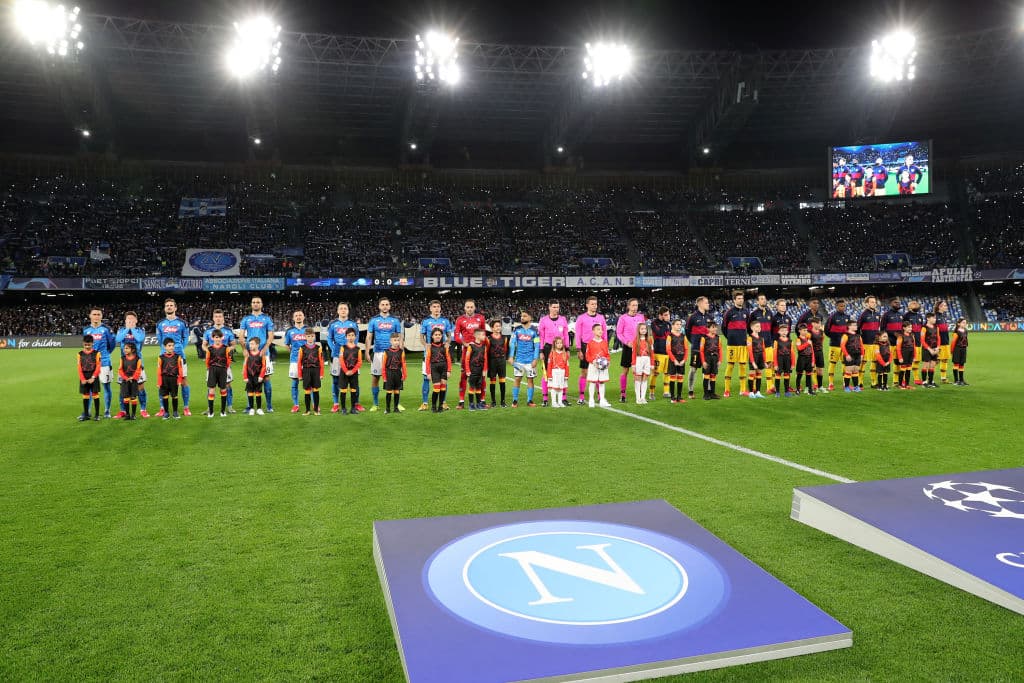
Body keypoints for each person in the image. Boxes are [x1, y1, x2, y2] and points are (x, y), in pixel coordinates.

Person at [365, 298, 403, 412]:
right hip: (378, 352)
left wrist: (402, 352)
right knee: (375, 377)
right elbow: (369, 337)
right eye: (383, 304)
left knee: (396, 377)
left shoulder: (395, 320)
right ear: (379, 306)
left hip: (393, 353)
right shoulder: (373, 320)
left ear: (389, 306)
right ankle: (375, 403)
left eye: (387, 304)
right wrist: (367, 351)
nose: (385, 306)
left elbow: (400, 337)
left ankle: (397, 403)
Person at [155, 299, 192, 416]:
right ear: (164, 308)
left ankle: (186, 407)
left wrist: (179, 348)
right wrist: (165, 350)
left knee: (184, 381)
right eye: (167, 306)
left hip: (179, 357)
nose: (169, 307)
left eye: (171, 305)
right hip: (164, 358)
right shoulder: (160, 324)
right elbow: (160, 340)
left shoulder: (182, 323)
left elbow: (185, 338)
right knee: (162, 383)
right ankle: (162, 408)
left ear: (175, 308)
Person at [239, 295, 276, 412]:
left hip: (264, 354)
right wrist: (244, 349)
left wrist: (265, 348)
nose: (256, 304)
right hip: (251, 355)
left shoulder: (267, 318)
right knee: (250, 378)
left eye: (258, 302)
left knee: (266, 378)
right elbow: (241, 336)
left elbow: (271, 336)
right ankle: (249, 406)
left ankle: (269, 406)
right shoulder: (246, 319)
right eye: (254, 302)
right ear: (251, 304)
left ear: (261, 304)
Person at [418, 300, 454, 411]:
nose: (436, 309)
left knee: (444, 379)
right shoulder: (426, 321)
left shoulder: (445, 321)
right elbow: (421, 337)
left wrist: (448, 342)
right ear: (430, 308)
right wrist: (426, 345)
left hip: (442, 354)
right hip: (429, 354)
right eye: (434, 307)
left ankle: (443, 402)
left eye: (438, 306)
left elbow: (449, 336)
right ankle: (424, 403)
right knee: (426, 379)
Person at [115, 311, 150, 419]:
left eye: (132, 319)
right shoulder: (121, 330)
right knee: (123, 389)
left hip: (138, 363)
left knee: (140, 388)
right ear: (125, 321)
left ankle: (143, 409)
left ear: (136, 320)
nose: (130, 320)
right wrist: (127, 328)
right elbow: (118, 339)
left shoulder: (140, 330)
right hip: (124, 364)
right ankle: (123, 411)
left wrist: (132, 328)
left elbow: (139, 339)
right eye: (128, 319)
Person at [453, 299, 487, 410]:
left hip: (479, 351)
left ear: (474, 307)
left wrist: (483, 346)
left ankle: (482, 400)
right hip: (467, 351)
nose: (469, 309)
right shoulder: (460, 319)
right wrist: (465, 343)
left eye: (471, 307)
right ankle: (461, 401)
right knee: (464, 376)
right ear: (464, 308)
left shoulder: (480, 318)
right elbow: (457, 336)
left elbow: (484, 334)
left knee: (481, 376)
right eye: (467, 307)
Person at [202, 309, 237, 414]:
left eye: (220, 316)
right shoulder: (208, 331)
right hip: (212, 363)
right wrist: (208, 350)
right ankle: (209, 408)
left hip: (224, 363)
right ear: (213, 318)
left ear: (223, 318)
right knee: (210, 385)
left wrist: (227, 350)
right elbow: (204, 344)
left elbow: (234, 344)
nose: (218, 318)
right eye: (216, 316)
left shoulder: (228, 330)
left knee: (227, 384)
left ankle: (229, 406)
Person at [327, 302, 361, 412]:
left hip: (352, 357)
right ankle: (336, 403)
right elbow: (329, 338)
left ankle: (356, 403)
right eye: (341, 308)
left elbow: (356, 338)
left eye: (345, 308)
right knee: (336, 380)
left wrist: (352, 350)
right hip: (337, 356)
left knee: (355, 381)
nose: (343, 310)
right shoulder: (333, 324)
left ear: (348, 311)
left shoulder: (352, 324)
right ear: (337, 311)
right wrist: (333, 348)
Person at [574, 296, 607, 405]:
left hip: (598, 347)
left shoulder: (601, 318)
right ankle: (582, 396)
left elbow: (605, 333)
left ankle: (600, 396)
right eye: (592, 304)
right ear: (587, 305)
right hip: (585, 346)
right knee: (584, 372)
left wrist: (605, 347)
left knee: (599, 370)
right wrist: (579, 349)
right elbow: (578, 334)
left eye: (595, 304)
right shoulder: (581, 318)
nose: (594, 306)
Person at [83, 307, 116, 418]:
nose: (96, 316)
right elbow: (86, 347)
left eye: (98, 314)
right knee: (89, 388)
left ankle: (107, 411)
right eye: (94, 314)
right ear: (90, 316)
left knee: (106, 387)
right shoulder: (86, 330)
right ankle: (87, 412)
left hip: (104, 363)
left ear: (101, 316)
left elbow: (112, 345)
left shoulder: (106, 329)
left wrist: (105, 354)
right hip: (90, 364)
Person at [538, 301, 570, 407]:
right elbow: (541, 337)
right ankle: (545, 398)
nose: (556, 309)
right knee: (546, 374)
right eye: (554, 307)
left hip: (561, 350)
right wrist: (541, 351)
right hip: (548, 349)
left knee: (563, 372)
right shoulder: (543, 320)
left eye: (558, 307)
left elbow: (566, 334)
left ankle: (563, 398)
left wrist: (567, 349)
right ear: (549, 307)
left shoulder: (563, 319)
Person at [615, 298, 646, 403]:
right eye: (633, 305)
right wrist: (627, 342)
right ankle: (623, 394)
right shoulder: (623, 318)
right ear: (628, 306)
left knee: (639, 372)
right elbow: (619, 333)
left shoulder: (641, 317)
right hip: (628, 348)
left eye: (636, 305)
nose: (635, 307)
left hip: (640, 348)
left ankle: (640, 395)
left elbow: (644, 331)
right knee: (625, 370)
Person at [509, 311, 540, 408]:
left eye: (525, 316)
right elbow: (513, 343)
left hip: (530, 361)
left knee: (530, 380)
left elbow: (537, 345)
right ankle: (515, 400)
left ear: (530, 318)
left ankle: (529, 400)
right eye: (521, 316)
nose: (522, 318)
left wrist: (535, 359)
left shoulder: (535, 330)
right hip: (519, 360)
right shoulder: (517, 329)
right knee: (517, 379)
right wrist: (511, 356)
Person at [722, 291, 749, 398]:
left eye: (742, 298)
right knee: (730, 366)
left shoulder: (746, 312)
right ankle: (726, 390)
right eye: (738, 298)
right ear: (734, 300)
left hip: (743, 344)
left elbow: (748, 327)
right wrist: (730, 337)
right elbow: (724, 328)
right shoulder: (729, 312)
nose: (740, 300)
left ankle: (742, 390)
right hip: (732, 344)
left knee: (743, 366)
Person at [284, 310, 311, 413]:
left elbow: (312, 343)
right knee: (294, 382)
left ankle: (313, 403)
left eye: (300, 315)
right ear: (293, 318)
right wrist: (293, 353)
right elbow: (287, 344)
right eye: (296, 316)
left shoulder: (308, 329)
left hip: (308, 360)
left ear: (303, 317)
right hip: (295, 360)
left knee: (309, 382)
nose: (298, 317)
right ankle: (296, 405)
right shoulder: (289, 331)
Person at [748, 294, 775, 394]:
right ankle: (754, 388)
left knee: (769, 365)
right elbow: (749, 328)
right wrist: (753, 340)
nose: (764, 300)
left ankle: (769, 387)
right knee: (755, 368)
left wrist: (771, 341)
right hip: (757, 346)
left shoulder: (770, 313)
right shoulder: (754, 314)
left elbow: (772, 329)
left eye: (765, 298)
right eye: (761, 299)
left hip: (768, 344)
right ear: (757, 301)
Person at [685, 297, 711, 400]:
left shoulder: (709, 316)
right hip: (696, 347)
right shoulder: (693, 317)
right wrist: (694, 342)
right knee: (693, 369)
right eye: (706, 302)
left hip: (707, 348)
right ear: (700, 304)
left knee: (707, 369)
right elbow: (687, 331)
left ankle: (707, 390)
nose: (708, 304)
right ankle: (690, 390)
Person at [824, 299, 851, 391]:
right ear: (836, 307)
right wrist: (834, 337)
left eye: (843, 306)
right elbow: (826, 330)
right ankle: (831, 383)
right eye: (840, 306)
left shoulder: (848, 316)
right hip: (834, 345)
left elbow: (849, 330)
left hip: (845, 345)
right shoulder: (832, 317)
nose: (842, 307)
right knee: (832, 364)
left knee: (845, 364)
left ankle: (845, 383)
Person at [297, 327, 324, 415]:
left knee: (316, 390)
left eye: (312, 336)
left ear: (314, 336)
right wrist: (300, 375)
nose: (310, 338)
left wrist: (321, 373)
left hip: (316, 370)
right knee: (307, 390)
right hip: (306, 371)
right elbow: (299, 362)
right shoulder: (302, 348)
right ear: (305, 337)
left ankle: (316, 410)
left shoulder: (318, 348)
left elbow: (321, 361)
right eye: (308, 336)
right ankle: (307, 410)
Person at [156, 337, 185, 419]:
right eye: (169, 345)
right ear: (164, 347)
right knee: (165, 396)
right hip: (164, 379)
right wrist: (159, 382)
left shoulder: (178, 357)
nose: (171, 347)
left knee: (174, 396)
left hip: (174, 379)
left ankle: (175, 412)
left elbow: (180, 369)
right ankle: (166, 413)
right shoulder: (161, 357)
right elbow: (159, 371)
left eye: (172, 345)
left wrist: (179, 380)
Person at [204, 329, 230, 417]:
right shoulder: (209, 349)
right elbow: (207, 360)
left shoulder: (226, 348)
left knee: (223, 389)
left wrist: (224, 367)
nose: (218, 339)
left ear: (222, 338)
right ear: (212, 338)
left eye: (219, 337)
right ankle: (211, 412)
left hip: (223, 370)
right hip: (212, 370)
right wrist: (210, 368)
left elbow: (228, 360)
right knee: (211, 390)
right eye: (216, 337)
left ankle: (223, 411)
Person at [585, 323, 612, 408]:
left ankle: (602, 400)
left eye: (601, 329)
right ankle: (591, 400)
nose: (601, 331)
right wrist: (593, 361)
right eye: (598, 329)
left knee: (602, 382)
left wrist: (608, 361)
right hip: (593, 365)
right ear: (593, 331)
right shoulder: (590, 343)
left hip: (603, 366)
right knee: (593, 382)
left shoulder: (604, 343)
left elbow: (607, 354)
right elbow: (587, 356)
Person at [336, 328, 363, 415]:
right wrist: (346, 371)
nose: (351, 337)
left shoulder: (358, 349)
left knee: (353, 390)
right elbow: (341, 360)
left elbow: (359, 362)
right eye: (349, 335)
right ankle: (343, 408)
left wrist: (353, 371)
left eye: (352, 335)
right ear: (346, 337)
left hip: (353, 373)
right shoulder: (342, 348)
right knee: (343, 390)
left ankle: (353, 408)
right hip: (344, 373)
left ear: (355, 337)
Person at [857, 296, 881, 388]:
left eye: (874, 302)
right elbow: (858, 329)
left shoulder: (878, 314)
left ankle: (874, 382)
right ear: (866, 303)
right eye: (871, 302)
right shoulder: (863, 315)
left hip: (875, 344)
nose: (873, 303)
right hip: (865, 343)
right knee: (863, 363)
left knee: (874, 362)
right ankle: (859, 382)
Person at [425, 327, 451, 413]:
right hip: (434, 368)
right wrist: (428, 373)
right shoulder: (429, 347)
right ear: (432, 336)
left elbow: (448, 359)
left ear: (442, 336)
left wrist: (449, 371)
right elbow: (427, 360)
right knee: (436, 388)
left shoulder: (445, 346)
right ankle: (433, 406)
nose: (438, 336)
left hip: (444, 368)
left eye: (439, 335)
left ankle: (440, 406)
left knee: (443, 387)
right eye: (436, 335)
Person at [463, 327, 489, 411]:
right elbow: (467, 359)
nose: (484, 336)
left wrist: (484, 370)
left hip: (480, 370)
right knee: (472, 386)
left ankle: (478, 404)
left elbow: (485, 359)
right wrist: (467, 370)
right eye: (483, 335)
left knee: (479, 387)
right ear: (477, 336)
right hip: (472, 370)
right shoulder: (471, 346)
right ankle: (471, 404)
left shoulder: (484, 346)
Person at [77, 335, 102, 421]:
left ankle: (97, 415)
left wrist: (93, 377)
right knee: (85, 395)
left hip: (93, 376)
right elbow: (79, 367)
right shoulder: (79, 354)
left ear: (92, 344)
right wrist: (82, 378)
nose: (87, 347)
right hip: (84, 376)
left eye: (89, 345)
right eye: (85, 345)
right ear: (83, 344)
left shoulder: (97, 353)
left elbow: (98, 366)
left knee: (95, 394)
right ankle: (86, 414)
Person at [649, 307, 672, 400]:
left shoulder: (668, 324)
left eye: (668, 314)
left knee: (667, 373)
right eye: (666, 315)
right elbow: (659, 333)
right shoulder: (654, 323)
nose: (668, 316)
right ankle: (651, 393)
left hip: (668, 352)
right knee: (655, 373)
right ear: (660, 315)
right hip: (658, 352)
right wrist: (665, 323)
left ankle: (666, 391)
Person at [381, 333, 407, 414]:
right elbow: (383, 365)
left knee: (397, 391)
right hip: (389, 373)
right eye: (394, 340)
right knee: (389, 391)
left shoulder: (401, 352)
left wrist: (404, 374)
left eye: (398, 340)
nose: (396, 342)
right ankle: (387, 409)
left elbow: (403, 364)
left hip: (398, 373)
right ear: (390, 341)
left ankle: (396, 408)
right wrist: (384, 377)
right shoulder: (386, 352)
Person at [486, 319, 509, 408]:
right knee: (492, 381)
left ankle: (503, 401)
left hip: (501, 362)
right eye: (496, 326)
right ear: (492, 328)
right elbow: (487, 351)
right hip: (492, 362)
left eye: (499, 326)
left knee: (502, 381)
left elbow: (505, 349)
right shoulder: (489, 339)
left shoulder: (504, 338)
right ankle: (493, 401)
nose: (498, 328)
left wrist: (503, 358)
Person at [630, 321, 654, 404]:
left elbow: (652, 353)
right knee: (638, 378)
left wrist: (652, 364)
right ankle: (638, 398)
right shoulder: (635, 341)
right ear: (638, 330)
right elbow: (633, 353)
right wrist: (633, 364)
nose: (644, 330)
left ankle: (643, 397)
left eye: (645, 329)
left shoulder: (649, 340)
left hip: (647, 360)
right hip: (638, 360)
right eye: (642, 329)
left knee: (645, 378)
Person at [242, 337, 268, 415]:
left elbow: (264, 366)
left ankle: (259, 408)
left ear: (257, 345)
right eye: (249, 344)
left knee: (258, 392)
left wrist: (261, 376)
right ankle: (251, 409)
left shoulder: (261, 354)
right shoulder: (248, 354)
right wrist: (245, 377)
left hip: (258, 377)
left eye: (252, 344)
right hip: (249, 377)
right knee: (250, 392)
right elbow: (245, 366)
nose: (250, 345)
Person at [903, 301, 925, 385]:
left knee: (916, 361)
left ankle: (916, 378)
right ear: (909, 306)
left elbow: (921, 328)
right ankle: (904, 378)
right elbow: (903, 328)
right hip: (908, 342)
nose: (916, 305)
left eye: (916, 304)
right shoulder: (906, 316)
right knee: (907, 361)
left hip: (918, 341)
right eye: (913, 304)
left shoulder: (919, 316)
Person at [667, 318, 688, 404]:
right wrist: (674, 360)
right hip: (673, 359)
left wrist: (684, 360)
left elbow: (686, 349)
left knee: (680, 377)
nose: (679, 326)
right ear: (673, 326)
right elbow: (668, 349)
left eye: (680, 324)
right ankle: (672, 397)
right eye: (677, 324)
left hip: (681, 359)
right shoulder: (669, 336)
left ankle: (679, 397)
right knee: (672, 377)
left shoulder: (683, 336)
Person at [699, 321, 722, 400]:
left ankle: (712, 393)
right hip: (707, 358)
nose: (715, 328)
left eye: (715, 327)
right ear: (708, 329)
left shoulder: (718, 337)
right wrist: (703, 361)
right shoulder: (704, 338)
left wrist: (720, 360)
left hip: (715, 359)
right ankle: (705, 394)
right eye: (713, 327)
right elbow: (701, 351)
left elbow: (720, 350)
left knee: (713, 376)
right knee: (706, 376)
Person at [546, 335, 570, 408]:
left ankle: (560, 402)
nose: (559, 344)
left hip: (562, 373)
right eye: (558, 343)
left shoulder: (565, 354)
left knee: (561, 388)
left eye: (561, 343)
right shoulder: (552, 354)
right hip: (554, 373)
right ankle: (554, 402)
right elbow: (549, 365)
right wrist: (549, 375)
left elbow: (567, 365)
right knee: (554, 388)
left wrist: (566, 375)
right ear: (555, 344)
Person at [841, 321, 863, 392]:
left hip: (858, 355)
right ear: (849, 326)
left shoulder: (858, 335)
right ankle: (846, 387)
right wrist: (847, 355)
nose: (856, 326)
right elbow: (842, 345)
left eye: (856, 325)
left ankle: (856, 387)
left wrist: (862, 354)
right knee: (848, 371)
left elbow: (861, 346)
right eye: (854, 325)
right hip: (850, 355)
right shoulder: (845, 335)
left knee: (856, 371)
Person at [746, 320, 766, 399]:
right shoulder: (749, 338)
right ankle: (751, 392)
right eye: (757, 326)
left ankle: (758, 392)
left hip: (760, 357)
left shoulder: (761, 338)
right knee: (752, 375)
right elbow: (750, 351)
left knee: (759, 375)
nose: (759, 328)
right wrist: (753, 362)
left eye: (760, 326)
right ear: (752, 328)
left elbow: (764, 350)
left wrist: (764, 361)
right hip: (754, 357)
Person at [919, 312, 941, 388]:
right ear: (928, 318)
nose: (935, 319)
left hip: (935, 349)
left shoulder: (936, 327)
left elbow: (938, 338)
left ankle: (931, 381)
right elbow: (922, 340)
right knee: (926, 365)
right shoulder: (924, 328)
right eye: (933, 318)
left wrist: (938, 347)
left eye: (935, 318)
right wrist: (929, 349)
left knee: (932, 366)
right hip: (927, 349)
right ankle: (924, 382)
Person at [795, 325, 817, 396]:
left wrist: (813, 360)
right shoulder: (798, 339)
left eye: (806, 330)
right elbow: (799, 348)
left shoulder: (809, 339)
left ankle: (809, 390)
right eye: (803, 330)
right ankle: (798, 390)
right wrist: (807, 343)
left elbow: (812, 350)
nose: (805, 332)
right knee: (799, 375)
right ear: (799, 331)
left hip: (809, 358)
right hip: (801, 359)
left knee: (808, 375)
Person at [933, 300, 952, 383]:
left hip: (945, 342)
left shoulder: (943, 316)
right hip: (938, 343)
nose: (946, 307)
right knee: (935, 361)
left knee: (944, 359)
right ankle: (929, 379)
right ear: (939, 307)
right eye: (944, 305)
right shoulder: (935, 317)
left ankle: (943, 378)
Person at [774, 324, 794, 397]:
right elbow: (775, 353)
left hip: (787, 360)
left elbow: (792, 353)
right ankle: (777, 392)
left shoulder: (790, 341)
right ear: (779, 332)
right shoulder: (776, 341)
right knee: (778, 375)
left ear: (788, 331)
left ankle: (787, 391)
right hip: (780, 360)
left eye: (785, 330)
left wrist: (793, 364)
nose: (784, 332)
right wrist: (775, 364)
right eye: (782, 331)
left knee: (787, 375)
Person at [896, 321, 916, 390]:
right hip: (904, 354)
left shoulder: (912, 335)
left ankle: (907, 384)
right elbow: (898, 348)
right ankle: (900, 384)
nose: (910, 328)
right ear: (904, 328)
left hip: (910, 354)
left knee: (908, 369)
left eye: (911, 327)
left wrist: (914, 356)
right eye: (909, 327)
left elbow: (914, 346)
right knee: (903, 369)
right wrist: (900, 357)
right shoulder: (900, 336)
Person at [950, 318, 969, 386]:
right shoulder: (956, 332)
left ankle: (961, 380)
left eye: (965, 322)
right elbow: (953, 342)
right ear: (959, 324)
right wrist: (952, 351)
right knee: (956, 364)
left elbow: (966, 340)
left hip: (963, 349)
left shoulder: (966, 331)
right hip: (957, 349)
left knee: (962, 364)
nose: (965, 324)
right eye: (963, 322)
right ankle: (956, 380)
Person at [810, 318, 827, 393]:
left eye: (820, 323)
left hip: (820, 352)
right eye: (817, 323)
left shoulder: (821, 332)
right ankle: (811, 386)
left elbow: (822, 339)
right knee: (810, 370)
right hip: (812, 353)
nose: (819, 324)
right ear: (813, 323)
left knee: (820, 370)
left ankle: (820, 386)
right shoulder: (809, 333)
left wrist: (820, 347)